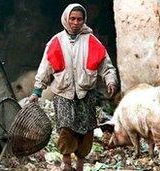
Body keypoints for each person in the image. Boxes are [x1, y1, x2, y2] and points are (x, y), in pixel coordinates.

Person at [29, 3, 118, 171]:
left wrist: (110, 81)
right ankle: (67, 163)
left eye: (79, 19)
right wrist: (37, 91)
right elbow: (45, 67)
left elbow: (106, 66)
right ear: (66, 19)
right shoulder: (56, 42)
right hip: (63, 93)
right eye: (73, 18)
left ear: (84, 20)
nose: (76, 22)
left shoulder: (92, 41)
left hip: (86, 93)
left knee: (86, 130)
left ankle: (80, 164)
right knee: (66, 128)